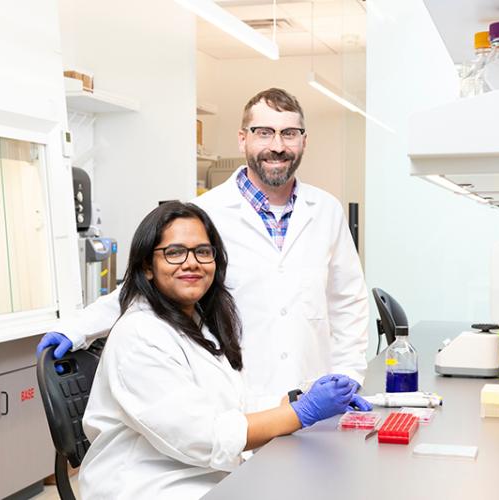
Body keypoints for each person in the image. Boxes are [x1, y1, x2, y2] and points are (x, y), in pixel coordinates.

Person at [38, 88, 369, 411]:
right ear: (243, 139)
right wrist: (77, 327)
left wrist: (348, 374)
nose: (278, 146)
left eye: (290, 133)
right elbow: (148, 288)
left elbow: (347, 299)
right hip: (239, 398)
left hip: (312, 389)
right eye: (264, 133)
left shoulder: (326, 210)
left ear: (304, 141)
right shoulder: (205, 213)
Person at [79, 201, 368, 500]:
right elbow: (204, 436)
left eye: (203, 252)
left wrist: (299, 397)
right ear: (147, 267)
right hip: (148, 485)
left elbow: (235, 403)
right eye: (174, 252)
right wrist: (302, 413)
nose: (191, 263)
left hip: (198, 475)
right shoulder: (140, 335)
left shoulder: (197, 323)